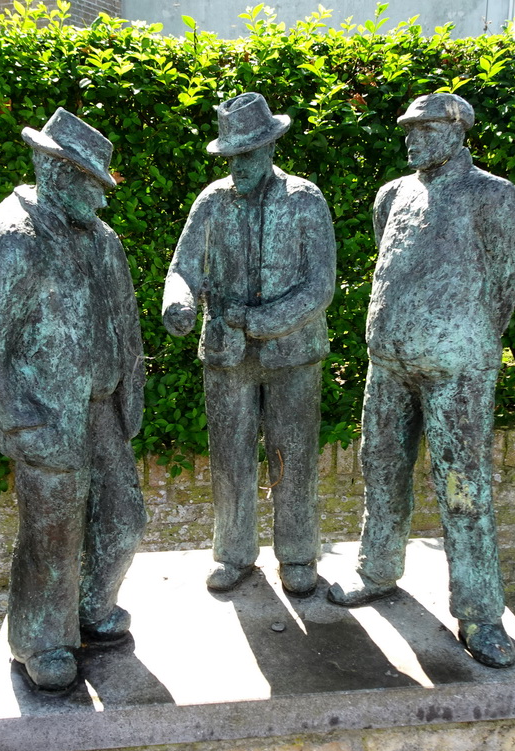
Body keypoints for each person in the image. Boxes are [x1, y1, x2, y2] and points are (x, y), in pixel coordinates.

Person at [327, 93, 515, 669]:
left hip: (457, 366)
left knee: (463, 486)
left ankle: (480, 613)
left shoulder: (494, 196)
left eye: (424, 128)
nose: (412, 138)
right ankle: (378, 569)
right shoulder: (392, 194)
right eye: (407, 130)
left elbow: (502, 288)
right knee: (380, 466)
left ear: (458, 130)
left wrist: (464, 342)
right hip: (388, 361)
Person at [0, 108, 147, 691]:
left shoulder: (99, 236)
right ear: (54, 169)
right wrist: (21, 421)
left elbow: (126, 319)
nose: (101, 197)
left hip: (99, 408)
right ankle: (43, 639)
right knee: (53, 534)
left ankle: (92, 608)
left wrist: (130, 391)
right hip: (46, 416)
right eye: (91, 182)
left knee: (124, 518)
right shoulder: (14, 236)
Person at [162, 93, 337, 597]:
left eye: (247, 155)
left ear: (269, 148)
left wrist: (261, 321)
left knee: (294, 455)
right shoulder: (211, 201)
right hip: (225, 356)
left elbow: (319, 286)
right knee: (230, 458)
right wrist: (179, 303)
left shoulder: (305, 199)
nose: (237, 166)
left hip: (294, 354)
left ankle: (299, 556)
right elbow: (183, 268)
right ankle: (235, 554)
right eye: (230, 157)